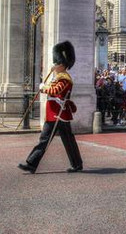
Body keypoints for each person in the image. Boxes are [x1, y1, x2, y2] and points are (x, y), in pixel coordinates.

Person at [18, 41, 83, 173]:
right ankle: (32, 163)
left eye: (57, 63)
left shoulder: (64, 78)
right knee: (49, 139)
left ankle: (76, 164)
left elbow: (56, 91)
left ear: (62, 65)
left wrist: (44, 88)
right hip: (54, 113)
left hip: (60, 114)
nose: (54, 65)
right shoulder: (58, 77)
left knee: (63, 141)